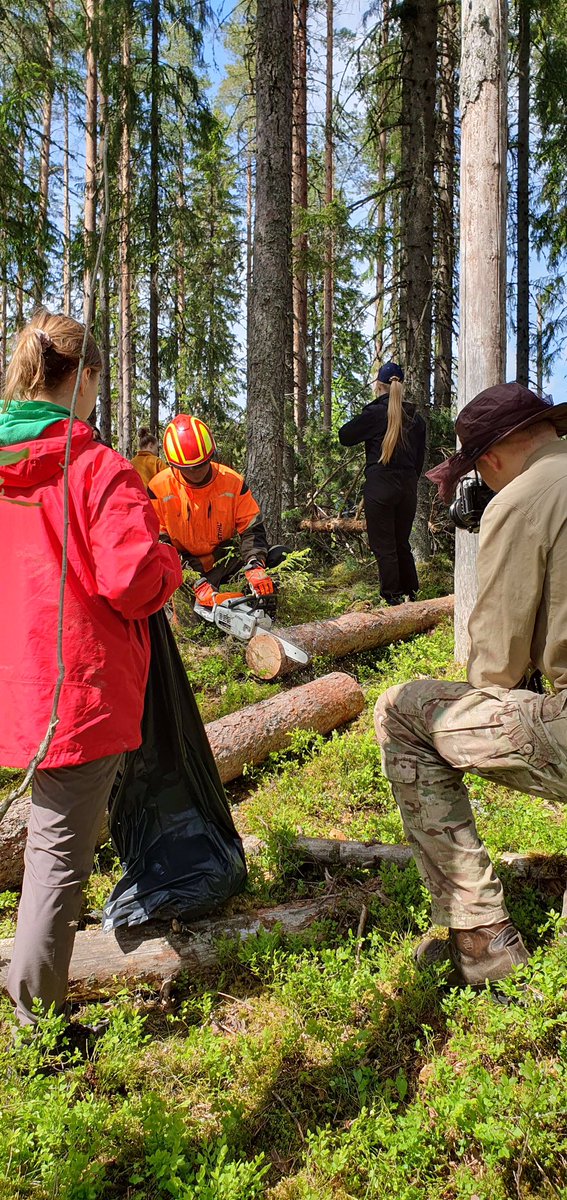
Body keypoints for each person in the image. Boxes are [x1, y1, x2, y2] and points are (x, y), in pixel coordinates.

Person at [0, 309, 182, 1028]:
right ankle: (35, 1025)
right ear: (83, 380)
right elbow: (133, 579)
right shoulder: (95, 465)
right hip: (78, 690)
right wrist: (168, 557)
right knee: (55, 860)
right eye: (97, 383)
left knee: (52, 837)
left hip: (18, 682)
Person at [374, 382, 567, 986]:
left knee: (403, 711)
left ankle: (482, 938)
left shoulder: (525, 497)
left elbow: (495, 670)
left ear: (489, 458)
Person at [149, 413, 275, 609]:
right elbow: (160, 545)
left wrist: (255, 564)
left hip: (223, 559)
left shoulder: (232, 482)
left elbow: (252, 528)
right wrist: (193, 580)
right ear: (174, 465)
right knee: (187, 616)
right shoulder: (158, 489)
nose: (196, 472)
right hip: (182, 564)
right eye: (188, 468)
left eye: (201, 465)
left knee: (276, 559)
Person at [338, 362, 426, 605]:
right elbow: (419, 460)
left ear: (379, 385)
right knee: (401, 543)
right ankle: (413, 595)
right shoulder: (416, 420)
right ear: (402, 386)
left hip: (380, 484)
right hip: (407, 486)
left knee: (384, 545)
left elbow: (345, 436)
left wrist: (370, 413)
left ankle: (393, 599)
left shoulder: (375, 414)